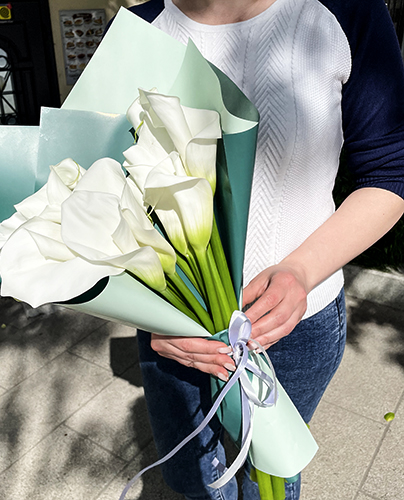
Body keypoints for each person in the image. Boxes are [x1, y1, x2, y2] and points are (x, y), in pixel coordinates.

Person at [126, 0, 404, 499]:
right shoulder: (139, 28)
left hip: (295, 322)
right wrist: (142, 307)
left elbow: (389, 172)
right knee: (194, 479)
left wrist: (301, 270)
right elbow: (107, 189)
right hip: (174, 327)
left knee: (268, 482)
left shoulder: (347, 11)